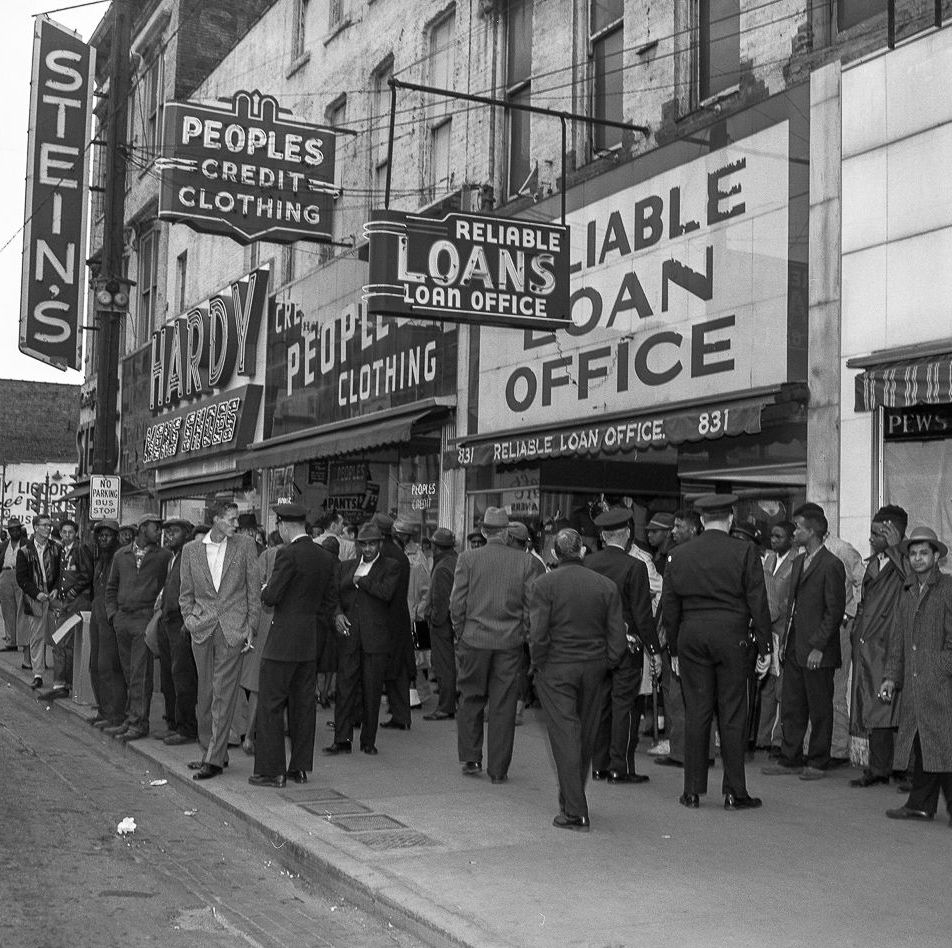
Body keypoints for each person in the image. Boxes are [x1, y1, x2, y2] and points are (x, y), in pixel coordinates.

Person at [661, 494, 772, 811]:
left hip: (691, 635)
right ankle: (734, 791)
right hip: (732, 635)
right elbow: (758, 601)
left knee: (697, 711)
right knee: (733, 713)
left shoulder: (678, 555)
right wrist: (765, 646)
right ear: (731, 518)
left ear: (701, 521)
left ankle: (692, 791)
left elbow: (670, 606)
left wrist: (673, 648)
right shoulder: (745, 550)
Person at [530, 529, 627, 831]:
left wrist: (539, 664)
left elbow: (538, 633)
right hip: (594, 666)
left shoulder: (543, 585)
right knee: (584, 734)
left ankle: (574, 809)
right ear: (583, 552)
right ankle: (573, 800)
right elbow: (617, 637)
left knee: (565, 734)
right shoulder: (605, 586)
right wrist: (608, 661)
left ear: (555, 555)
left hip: (557, 666)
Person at [250, 503, 339, 788]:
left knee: (271, 705)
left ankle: (271, 770)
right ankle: (299, 768)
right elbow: (329, 603)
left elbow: (272, 595)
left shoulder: (287, 555)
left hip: (281, 643)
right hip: (308, 643)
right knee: (303, 707)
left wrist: (265, 590)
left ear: (284, 526)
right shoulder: (325, 557)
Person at [450, 506, 536, 781]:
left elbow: (457, 603)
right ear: (507, 532)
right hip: (509, 642)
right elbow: (529, 606)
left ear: (484, 531)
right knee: (503, 705)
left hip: (474, 639)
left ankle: (472, 758)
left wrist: (460, 631)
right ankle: (498, 770)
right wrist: (521, 633)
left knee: (471, 697)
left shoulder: (468, 559)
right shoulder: (525, 562)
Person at [178, 501, 261, 780]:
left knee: (223, 693)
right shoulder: (191, 551)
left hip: (232, 629)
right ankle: (214, 751)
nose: (236, 525)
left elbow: (253, 590)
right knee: (206, 695)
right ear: (215, 519)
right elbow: (185, 593)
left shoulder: (245, 546)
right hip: (202, 629)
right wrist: (190, 620)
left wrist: (251, 627)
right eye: (230, 519)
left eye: (236, 520)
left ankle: (213, 759)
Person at [763, 504, 846, 781]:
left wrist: (818, 647)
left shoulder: (832, 564)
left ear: (812, 531)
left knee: (820, 707)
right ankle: (790, 758)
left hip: (817, 651)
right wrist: (786, 641)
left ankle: (818, 760)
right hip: (795, 646)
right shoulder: (799, 561)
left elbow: (834, 611)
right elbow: (792, 607)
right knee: (792, 705)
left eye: (798, 527)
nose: (794, 531)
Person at [879, 527, 952, 824]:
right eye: (913, 553)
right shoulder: (907, 590)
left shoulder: (947, 588)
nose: (918, 558)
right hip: (914, 682)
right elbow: (898, 639)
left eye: (924, 553)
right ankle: (920, 805)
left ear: (936, 557)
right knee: (925, 743)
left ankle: (922, 804)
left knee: (943, 744)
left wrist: (938, 669)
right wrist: (891, 678)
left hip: (941, 683)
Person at [585, 507, 659, 784]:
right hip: (627, 647)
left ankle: (598, 765)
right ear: (627, 534)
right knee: (624, 706)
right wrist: (654, 649)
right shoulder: (635, 566)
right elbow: (642, 614)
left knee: (600, 706)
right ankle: (620, 767)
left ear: (603, 536)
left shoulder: (588, 563)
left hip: (595, 646)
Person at [325, 522, 400, 756]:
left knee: (372, 691)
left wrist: (361, 580)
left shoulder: (391, 566)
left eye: (372, 544)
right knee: (345, 689)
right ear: (358, 545)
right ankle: (342, 739)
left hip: (375, 639)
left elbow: (386, 593)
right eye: (364, 545)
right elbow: (332, 596)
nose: (367, 549)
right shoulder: (345, 567)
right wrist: (337, 614)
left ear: (380, 544)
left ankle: (368, 740)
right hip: (348, 637)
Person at [850, 505, 909, 788]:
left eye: (878, 533)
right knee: (876, 707)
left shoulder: (908, 559)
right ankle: (878, 768)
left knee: (899, 709)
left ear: (893, 532)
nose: (871, 538)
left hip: (894, 642)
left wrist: (898, 549)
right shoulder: (874, 562)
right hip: (870, 643)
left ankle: (905, 770)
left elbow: (912, 583)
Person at [104, 514, 171, 740]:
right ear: (143, 529)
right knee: (128, 671)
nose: (159, 532)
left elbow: (167, 587)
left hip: (145, 619)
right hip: (123, 620)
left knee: (141, 673)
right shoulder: (121, 555)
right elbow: (111, 588)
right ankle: (131, 717)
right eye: (156, 527)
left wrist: (156, 616)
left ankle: (138, 723)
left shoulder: (164, 556)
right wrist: (113, 615)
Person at [652, 507, 703, 767]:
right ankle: (706, 753)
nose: (673, 531)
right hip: (704, 636)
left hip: (681, 638)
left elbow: (670, 604)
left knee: (677, 696)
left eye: (678, 527)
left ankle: (681, 752)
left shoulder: (676, 557)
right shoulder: (708, 554)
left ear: (693, 529)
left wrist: (669, 643)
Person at [241, 534, 284, 752]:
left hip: (263, 622)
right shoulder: (287, 555)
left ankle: (248, 736)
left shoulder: (267, 555)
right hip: (283, 625)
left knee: (256, 687)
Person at [42, 519, 93, 700]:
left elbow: (87, 575)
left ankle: (62, 684)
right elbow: (62, 576)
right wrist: (57, 587)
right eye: (64, 532)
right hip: (67, 602)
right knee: (65, 644)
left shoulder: (80, 549)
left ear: (76, 533)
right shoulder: (63, 550)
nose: (67, 535)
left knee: (61, 641)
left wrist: (72, 592)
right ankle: (66, 683)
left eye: (70, 532)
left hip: (77, 602)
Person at [158, 518, 198, 747]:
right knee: (169, 677)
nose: (169, 536)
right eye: (167, 532)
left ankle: (187, 727)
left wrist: (189, 620)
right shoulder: (173, 558)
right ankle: (173, 723)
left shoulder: (190, 556)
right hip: (167, 621)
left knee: (183, 677)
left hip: (181, 623)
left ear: (187, 533)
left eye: (174, 532)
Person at [756, 521, 796, 753]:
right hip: (767, 631)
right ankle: (763, 738)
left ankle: (780, 740)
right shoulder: (768, 560)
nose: (774, 540)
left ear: (791, 539)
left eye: (779, 537)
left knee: (782, 689)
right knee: (767, 687)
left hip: (783, 630)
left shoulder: (796, 562)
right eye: (772, 536)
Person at [375, 514, 414, 729]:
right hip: (399, 617)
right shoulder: (399, 555)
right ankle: (402, 715)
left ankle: (360, 716)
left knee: (372, 669)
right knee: (398, 670)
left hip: (383, 619)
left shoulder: (382, 555)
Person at [16, 513, 60, 690]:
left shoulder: (56, 548)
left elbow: (60, 573)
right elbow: (22, 578)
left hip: (53, 596)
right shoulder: (25, 551)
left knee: (57, 635)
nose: (48, 528)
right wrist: (36, 594)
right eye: (44, 525)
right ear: (35, 528)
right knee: (36, 636)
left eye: (49, 525)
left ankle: (61, 677)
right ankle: (38, 674)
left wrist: (56, 588)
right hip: (35, 598)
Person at [87, 520, 123, 727]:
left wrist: (112, 616)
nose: (103, 538)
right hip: (97, 615)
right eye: (100, 535)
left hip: (109, 618)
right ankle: (103, 710)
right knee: (95, 666)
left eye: (108, 535)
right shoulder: (100, 560)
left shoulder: (117, 559)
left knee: (109, 666)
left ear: (115, 537)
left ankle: (115, 713)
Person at [423, 528, 458, 721]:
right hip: (452, 622)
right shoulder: (455, 561)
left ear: (436, 547)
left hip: (442, 624)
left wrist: (435, 620)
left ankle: (445, 706)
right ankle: (449, 703)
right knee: (449, 665)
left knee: (443, 666)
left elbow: (441, 600)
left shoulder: (444, 566)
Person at [0, 518, 25, 651]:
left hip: (20, 575)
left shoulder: (27, 543)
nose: (15, 531)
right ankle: (11, 642)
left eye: (17, 529)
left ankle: (22, 640)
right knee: (7, 609)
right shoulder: (4, 545)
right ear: (9, 531)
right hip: (5, 573)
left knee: (21, 608)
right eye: (12, 529)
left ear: (20, 530)